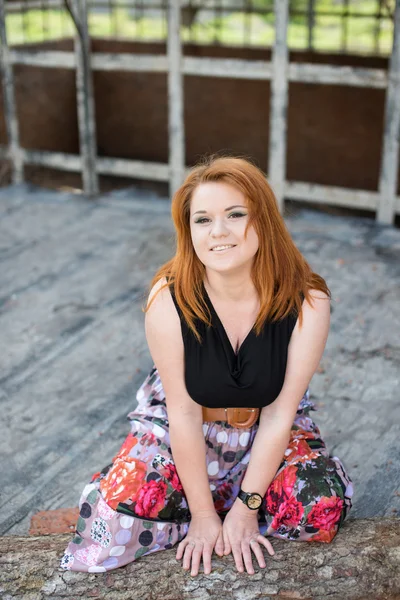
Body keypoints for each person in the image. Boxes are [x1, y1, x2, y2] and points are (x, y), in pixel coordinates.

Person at [60, 156, 353, 576]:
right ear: (189, 230)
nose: (218, 232)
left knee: (319, 504)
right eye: (203, 220)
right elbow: (181, 412)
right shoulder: (168, 297)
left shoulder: (307, 300)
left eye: (235, 214)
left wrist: (247, 509)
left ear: (264, 220)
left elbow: (279, 415)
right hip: (184, 430)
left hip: (265, 431)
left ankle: (232, 505)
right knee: (112, 517)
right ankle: (202, 508)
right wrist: (201, 515)